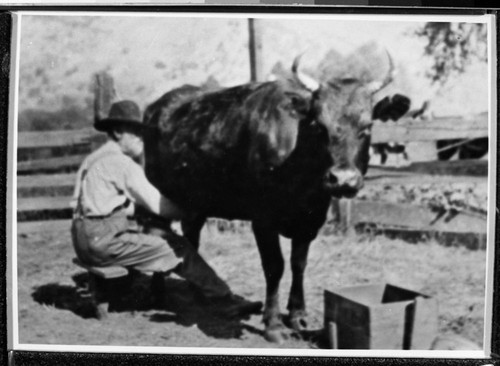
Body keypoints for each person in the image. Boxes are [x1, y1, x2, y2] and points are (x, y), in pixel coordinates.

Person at [70, 100, 262, 317]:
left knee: (146, 237)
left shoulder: (92, 159)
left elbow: (90, 203)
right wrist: (193, 212)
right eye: (135, 132)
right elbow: (159, 205)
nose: (141, 139)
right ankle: (224, 299)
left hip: (81, 238)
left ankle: (121, 290)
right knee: (179, 248)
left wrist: (132, 212)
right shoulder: (121, 163)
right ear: (117, 132)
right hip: (103, 243)